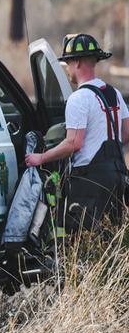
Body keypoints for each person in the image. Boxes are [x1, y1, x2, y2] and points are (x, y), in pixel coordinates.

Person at [25, 33, 128, 234]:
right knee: (111, 237)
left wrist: (41, 158)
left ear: (77, 62)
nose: (68, 69)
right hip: (117, 175)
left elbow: (73, 143)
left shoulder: (78, 98)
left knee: (85, 237)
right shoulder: (114, 93)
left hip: (89, 182)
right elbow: (125, 133)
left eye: (68, 64)